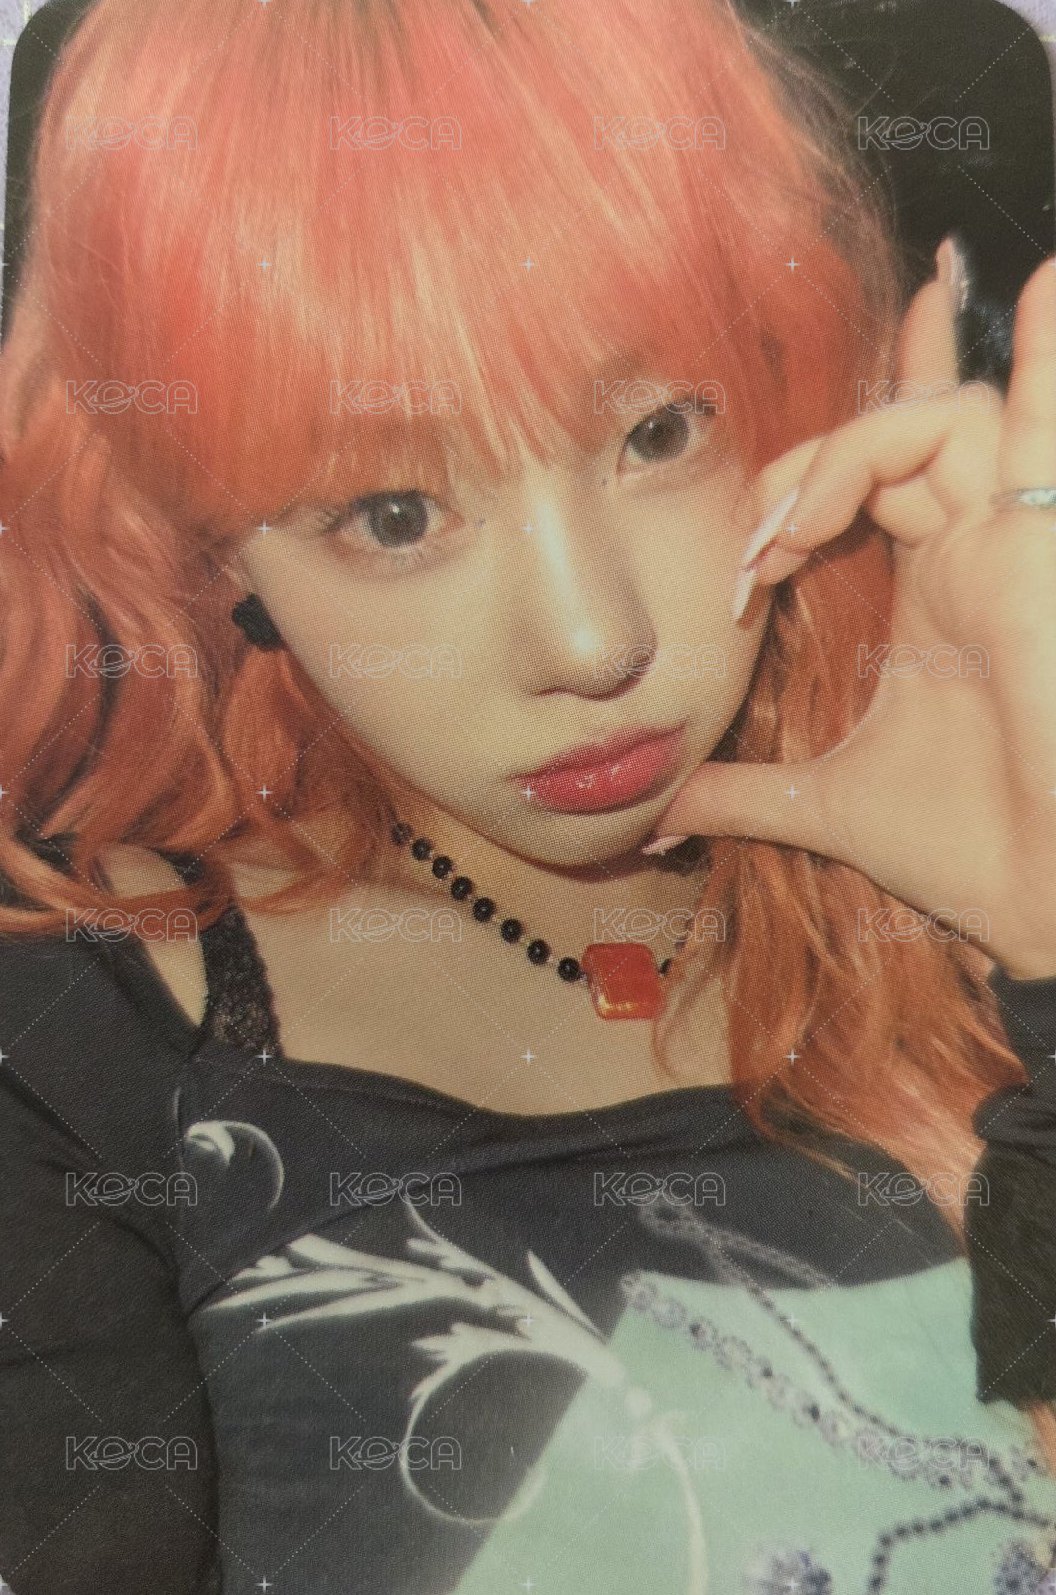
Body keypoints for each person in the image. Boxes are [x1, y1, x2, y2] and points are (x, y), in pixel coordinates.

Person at [1, 0, 1056, 1589]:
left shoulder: (987, 883)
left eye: (658, 431)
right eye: (394, 511)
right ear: (217, 552)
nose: (592, 641)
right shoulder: (79, 1044)